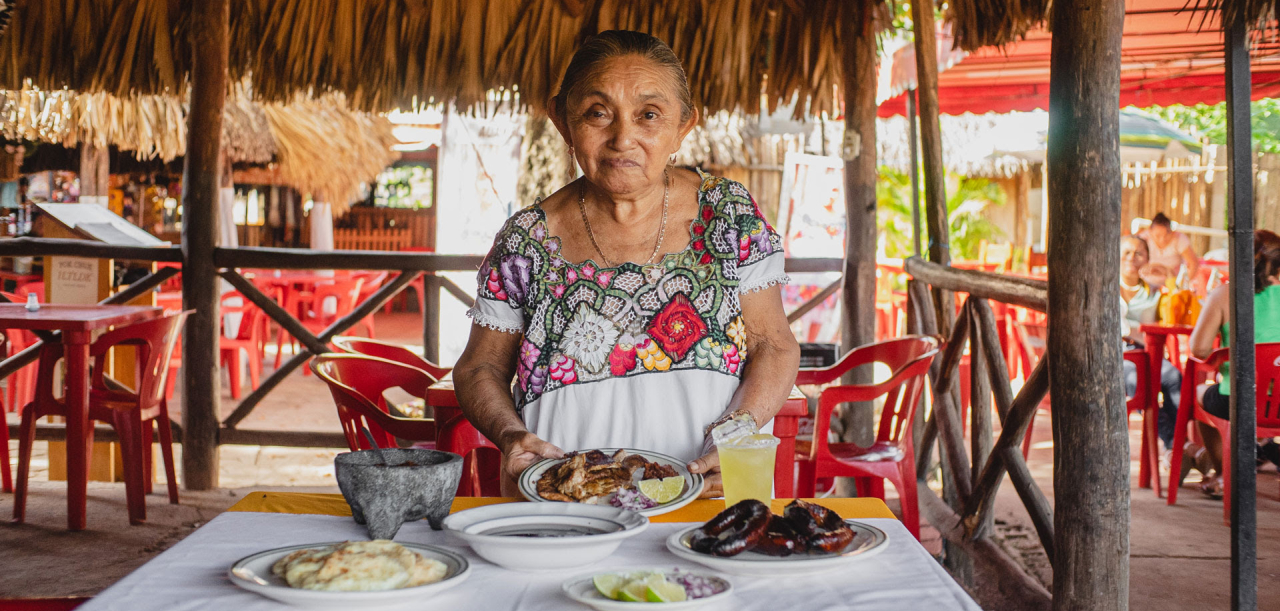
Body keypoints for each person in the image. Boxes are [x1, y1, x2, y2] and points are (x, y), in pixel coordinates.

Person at [452, 30, 801, 498]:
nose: (622, 138)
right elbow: (479, 369)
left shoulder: (728, 216)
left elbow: (774, 346)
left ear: (683, 126)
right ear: (562, 120)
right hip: (561, 504)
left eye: (649, 115)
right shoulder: (526, 240)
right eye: (598, 113)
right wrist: (510, 436)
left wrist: (738, 436)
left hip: (702, 498)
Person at [1186, 229, 1280, 498]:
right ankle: (1262, 448)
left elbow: (1199, 348)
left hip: (1239, 401)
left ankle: (1224, 474)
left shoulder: (1224, 295)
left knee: (1198, 394)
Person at [1119, 236, 1181, 455]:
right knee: (1137, 383)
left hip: (1146, 352)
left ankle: (1176, 446)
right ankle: (1178, 445)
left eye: (1138, 253)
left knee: (1174, 377)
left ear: (1147, 258)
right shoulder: (1107, 285)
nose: (1132, 258)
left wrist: (1169, 276)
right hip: (1117, 356)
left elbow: (1177, 309)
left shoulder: (1154, 290)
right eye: (1126, 252)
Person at [1139, 213, 1199, 287]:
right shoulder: (1143, 238)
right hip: (1146, 283)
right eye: (1158, 236)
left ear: (1172, 232)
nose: (1162, 240)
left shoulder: (1179, 239)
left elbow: (1193, 263)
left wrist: (1181, 285)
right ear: (1150, 232)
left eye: (1166, 235)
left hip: (1172, 282)